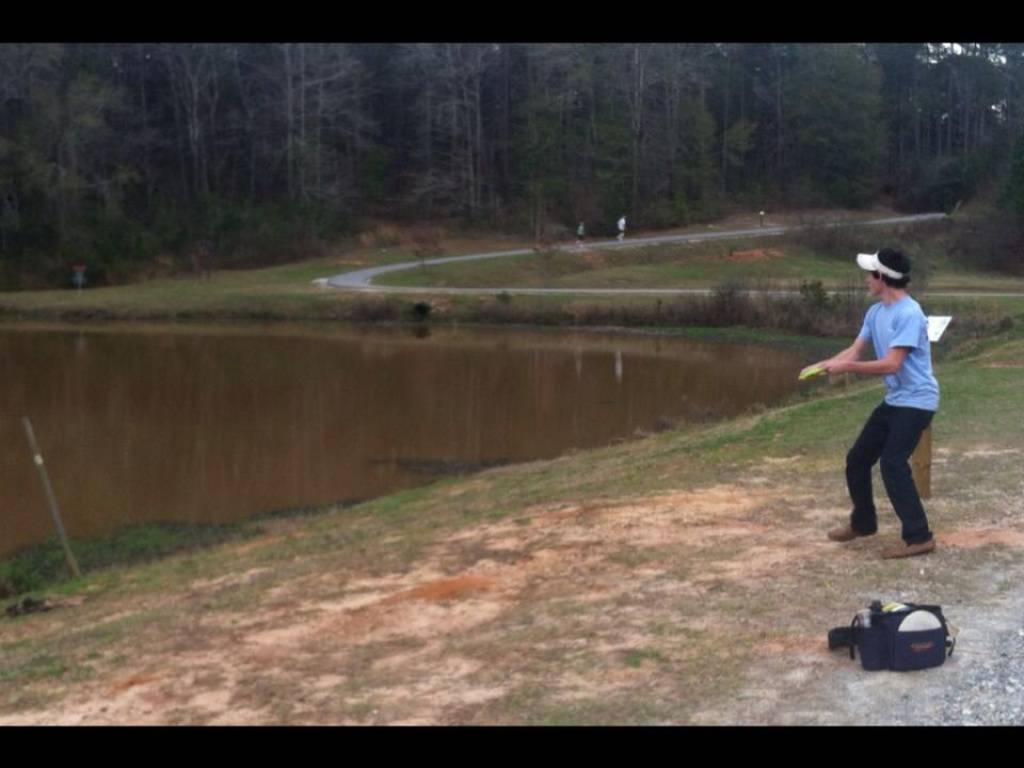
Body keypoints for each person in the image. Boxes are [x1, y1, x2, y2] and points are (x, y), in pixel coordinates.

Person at [813, 248, 939, 559]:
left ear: (883, 278)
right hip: (895, 400)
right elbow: (854, 351)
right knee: (857, 459)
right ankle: (864, 523)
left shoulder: (910, 314)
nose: (866, 279)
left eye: (870, 274)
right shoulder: (875, 312)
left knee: (892, 463)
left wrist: (848, 369)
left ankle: (919, 537)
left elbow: (892, 364)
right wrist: (828, 363)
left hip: (918, 401)